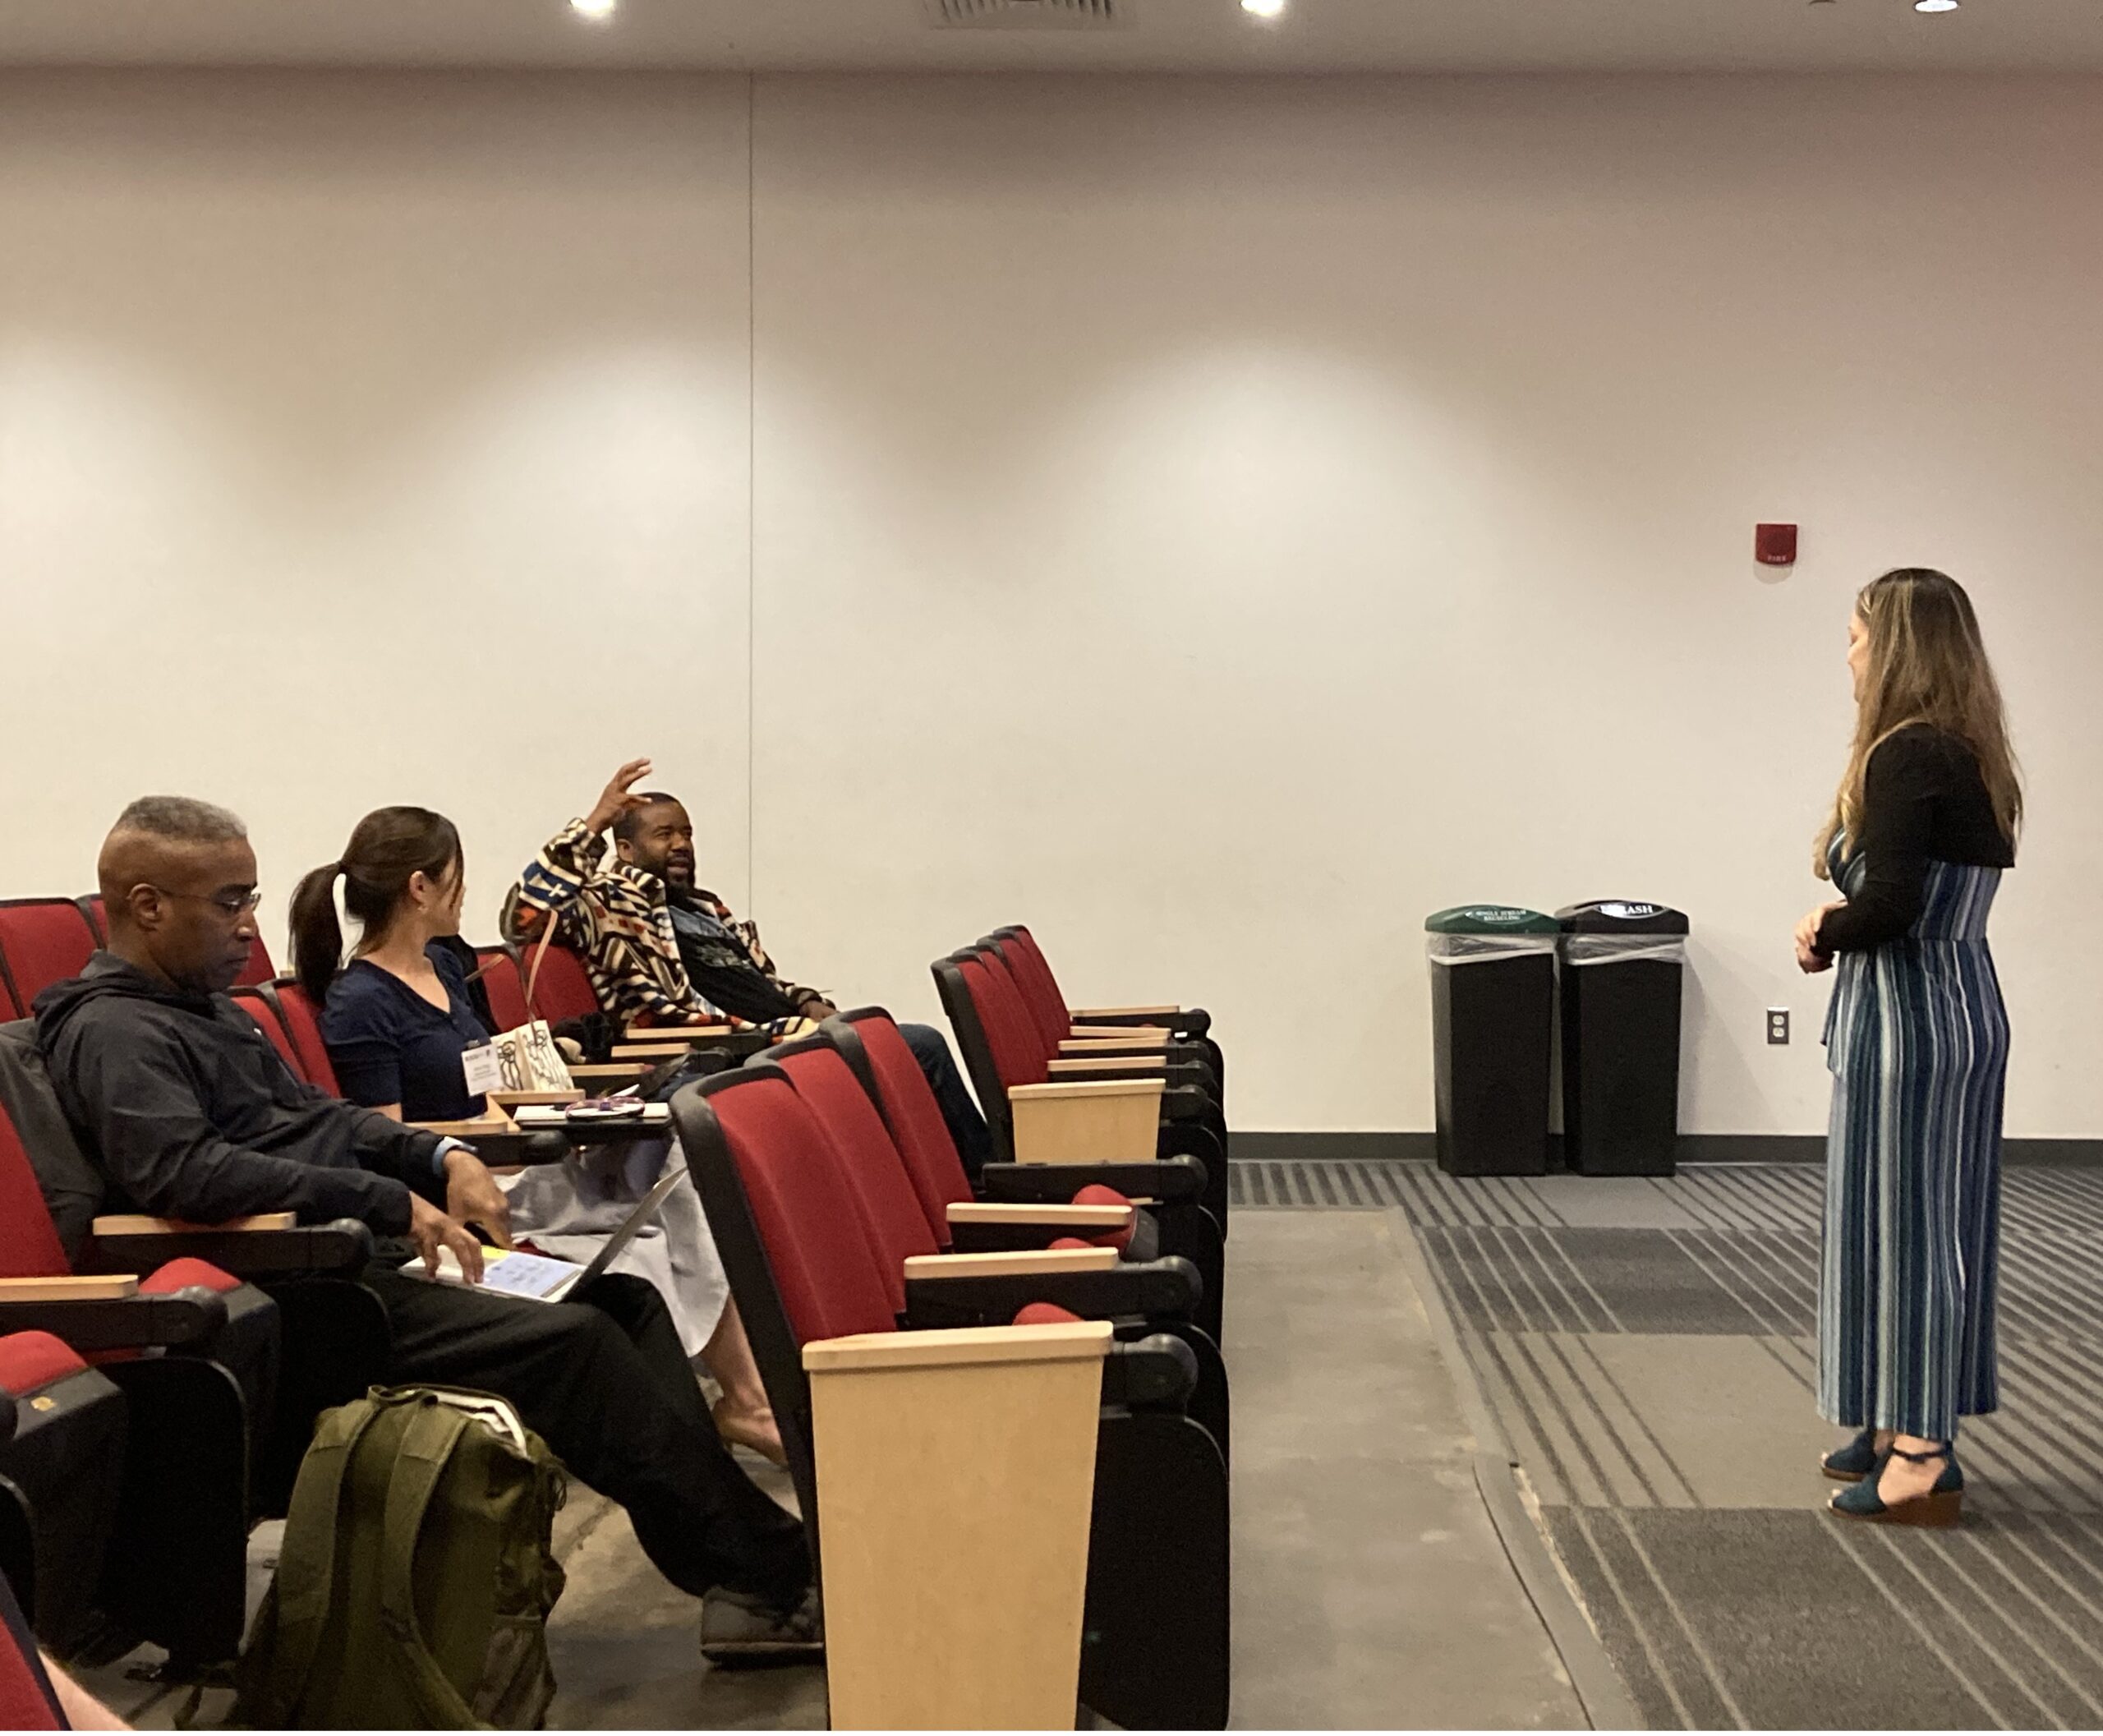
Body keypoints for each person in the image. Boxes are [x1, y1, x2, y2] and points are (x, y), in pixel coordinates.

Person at [35, 797, 817, 1661]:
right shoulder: (114, 1029)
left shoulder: (203, 1011)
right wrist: (387, 1200)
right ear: (147, 906)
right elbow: (182, 1174)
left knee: (626, 1300)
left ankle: (741, 1575)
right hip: (302, 1296)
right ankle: (777, 1579)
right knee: (577, 1343)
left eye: (251, 899)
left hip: (350, 1257)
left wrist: (438, 1155)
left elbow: (322, 1117)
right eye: (230, 902)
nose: (250, 927)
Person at [290, 804, 784, 1463]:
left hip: (515, 1154)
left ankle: (746, 1398)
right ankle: (744, 1402)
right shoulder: (362, 1002)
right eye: (456, 876)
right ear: (420, 887)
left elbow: (485, 1082)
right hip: (471, 1188)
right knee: (649, 1233)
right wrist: (491, 1136)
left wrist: (568, 1109)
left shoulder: (441, 971)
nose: (465, 891)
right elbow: (388, 1137)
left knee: (680, 1165)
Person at [1793, 569, 2019, 1526]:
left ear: (1891, 649)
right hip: (1958, 1006)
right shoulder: (1967, 751)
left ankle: (1919, 1449)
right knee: (1917, 1224)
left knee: (1911, 1236)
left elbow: (1888, 907)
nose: (1844, 655)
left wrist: (1820, 924)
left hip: (1911, 1019)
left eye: (1852, 636)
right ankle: (1898, 1420)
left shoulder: (1904, 755)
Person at [504, 759, 994, 1177]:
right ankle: (985, 1186)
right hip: (723, 1050)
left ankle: (960, 1192)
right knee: (920, 1046)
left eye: (687, 834)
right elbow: (520, 916)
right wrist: (593, 825)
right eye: (664, 834)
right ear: (626, 850)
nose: (680, 844)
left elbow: (761, 982)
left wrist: (804, 999)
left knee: (899, 1040)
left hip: (784, 1032)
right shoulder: (607, 903)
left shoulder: (705, 908)